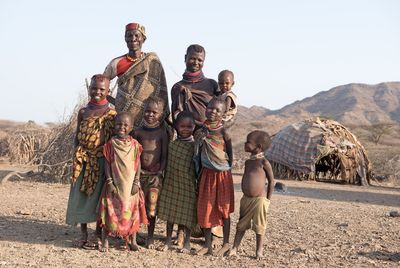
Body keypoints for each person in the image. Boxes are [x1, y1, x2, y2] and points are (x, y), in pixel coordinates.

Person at [66, 74, 116, 249]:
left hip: (101, 161)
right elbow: (77, 136)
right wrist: (76, 157)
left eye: (102, 89)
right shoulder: (83, 111)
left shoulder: (112, 114)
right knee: (81, 195)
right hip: (83, 160)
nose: (97, 91)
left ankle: (96, 234)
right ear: (89, 89)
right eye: (94, 88)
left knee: (98, 199)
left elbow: (113, 140)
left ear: (108, 91)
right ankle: (83, 232)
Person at [104, 22, 169, 128]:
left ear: (143, 39)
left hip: (148, 120)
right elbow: (102, 85)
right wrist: (114, 103)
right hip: (123, 121)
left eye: (137, 35)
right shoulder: (116, 63)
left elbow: (161, 90)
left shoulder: (153, 61)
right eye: (129, 35)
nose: (133, 39)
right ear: (125, 38)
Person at [98, 112, 148, 252]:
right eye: (119, 124)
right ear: (114, 126)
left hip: (130, 186)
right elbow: (107, 164)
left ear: (131, 127)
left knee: (133, 212)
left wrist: (136, 183)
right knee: (109, 212)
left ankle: (132, 241)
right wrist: (109, 182)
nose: (122, 127)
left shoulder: (135, 145)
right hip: (114, 185)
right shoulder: (110, 144)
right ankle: (105, 240)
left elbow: (137, 165)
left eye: (126, 125)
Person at [195, 97, 234, 256]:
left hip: (223, 174)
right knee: (206, 208)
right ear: (206, 108)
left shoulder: (224, 131)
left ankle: (226, 243)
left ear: (223, 113)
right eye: (210, 108)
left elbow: (230, 154)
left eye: (218, 110)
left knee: (224, 209)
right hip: (207, 174)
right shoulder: (201, 130)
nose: (213, 111)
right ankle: (208, 245)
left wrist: (228, 170)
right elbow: (196, 154)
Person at [228, 130, 275, 259]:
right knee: (241, 225)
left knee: (259, 226)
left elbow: (271, 181)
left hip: (260, 200)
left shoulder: (264, 162)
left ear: (258, 147)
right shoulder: (248, 162)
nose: (245, 143)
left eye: (248, 142)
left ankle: (259, 251)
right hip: (246, 199)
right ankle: (234, 248)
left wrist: (267, 200)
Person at [157, 111, 198, 254]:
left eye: (189, 126)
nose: (185, 129)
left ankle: (186, 243)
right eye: (182, 126)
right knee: (170, 214)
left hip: (188, 186)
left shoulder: (195, 147)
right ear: (176, 127)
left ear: (194, 127)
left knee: (187, 216)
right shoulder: (172, 145)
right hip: (171, 184)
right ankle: (168, 240)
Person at [132, 96, 168, 249]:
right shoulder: (137, 132)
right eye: (147, 111)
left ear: (161, 114)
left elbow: (164, 155)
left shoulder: (162, 133)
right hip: (139, 175)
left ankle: (150, 237)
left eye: (154, 112)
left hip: (155, 177)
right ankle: (134, 235)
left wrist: (161, 171)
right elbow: (133, 155)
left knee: (151, 208)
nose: (150, 115)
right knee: (135, 206)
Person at [171, 44, 219, 129]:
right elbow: (176, 116)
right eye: (192, 58)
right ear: (185, 58)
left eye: (200, 60)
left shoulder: (212, 84)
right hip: (187, 135)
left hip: (209, 133)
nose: (196, 63)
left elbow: (221, 110)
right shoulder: (177, 87)